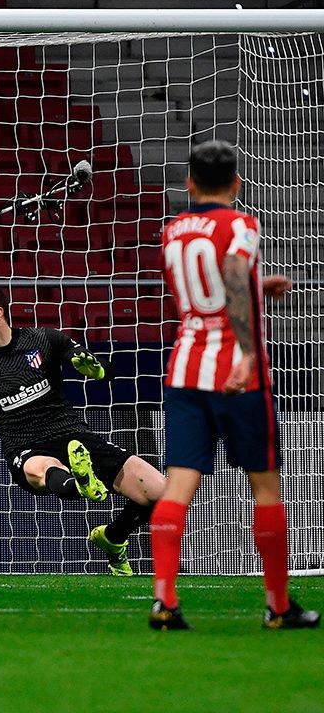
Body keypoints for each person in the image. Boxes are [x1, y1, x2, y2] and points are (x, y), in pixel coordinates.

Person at [149, 140, 318, 630]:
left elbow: (200, 289)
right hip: (235, 373)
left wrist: (252, 288)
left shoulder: (172, 231)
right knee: (264, 487)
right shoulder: (240, 225)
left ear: (189, 182)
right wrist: (246, 352)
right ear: (237, 184)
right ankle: (279, 607)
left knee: (179, 483)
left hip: (184, 368)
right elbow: (230, 272)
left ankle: (164, 600)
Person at [0, 283, 168, 576]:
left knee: (162, 493)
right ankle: (79, 483)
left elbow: (104, 368)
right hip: (26, 449)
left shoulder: (43, 339)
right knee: (44, 467)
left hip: (74, 435)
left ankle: (113, 537)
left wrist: (96, 371)